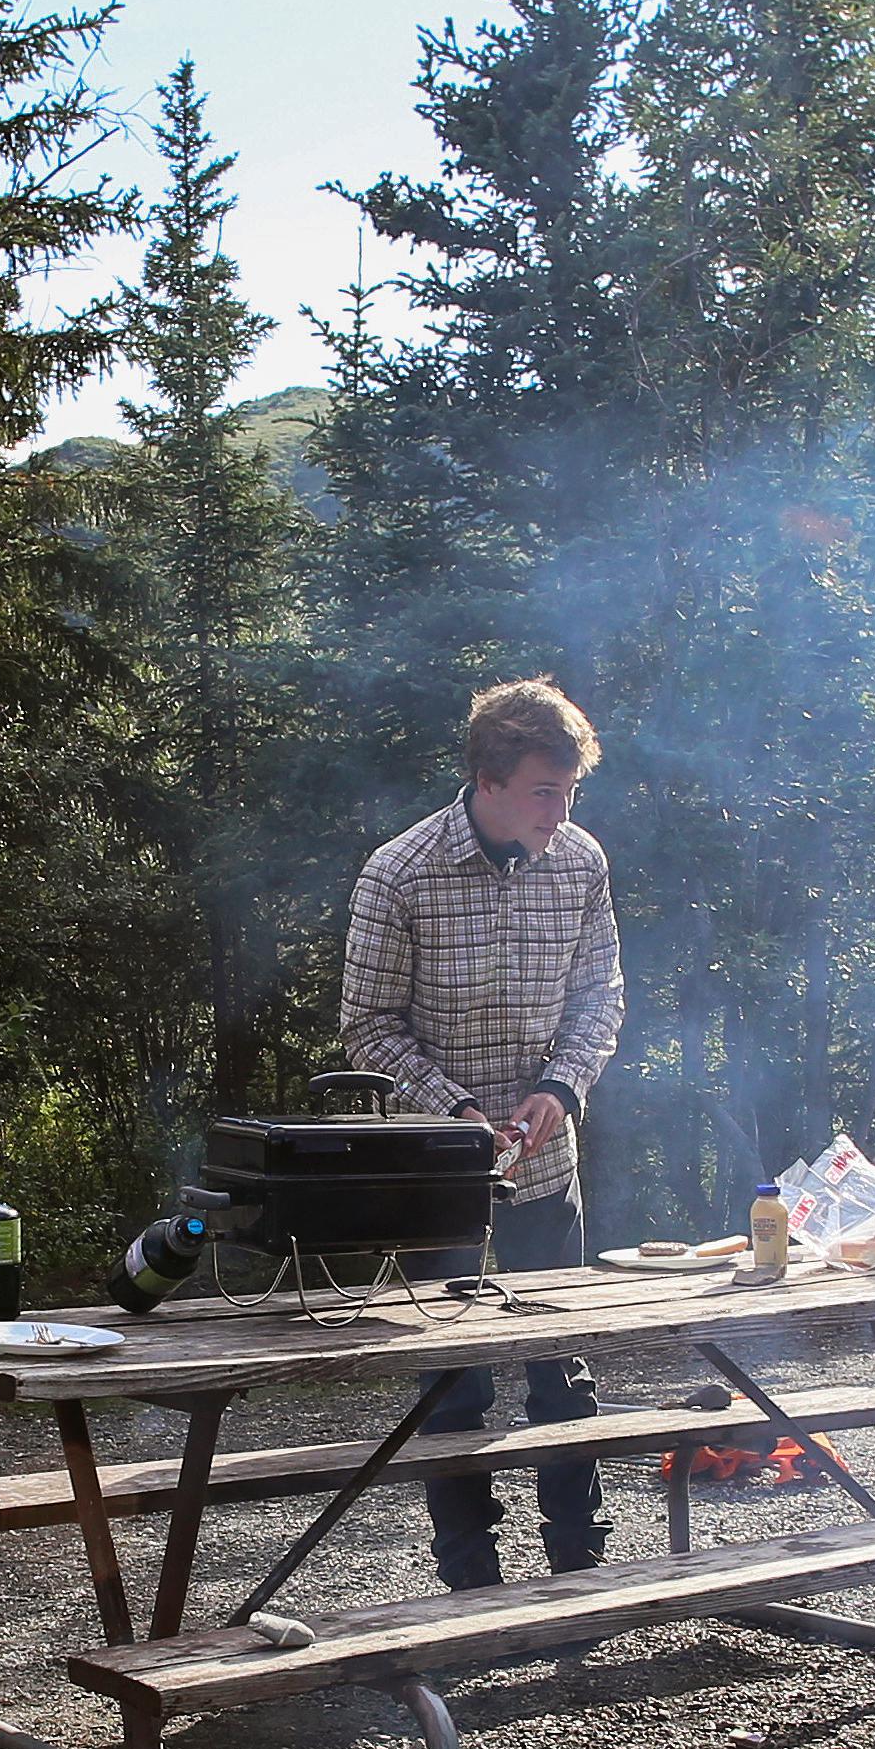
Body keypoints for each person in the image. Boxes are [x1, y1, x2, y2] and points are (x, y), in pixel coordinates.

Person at [339, 677, 628, 1591]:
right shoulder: (400, 871)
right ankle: (471, 1582)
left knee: (561, 1368)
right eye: (546, 790)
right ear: (488, 780)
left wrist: (561, 1088)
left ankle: (579, 1564)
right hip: (439, 1159)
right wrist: (457, 1111)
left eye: (571, 790)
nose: (561, 810)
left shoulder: (581, 862)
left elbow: (600, 998)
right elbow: (369, 1028)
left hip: (546, 1157)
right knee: (454, 1377)